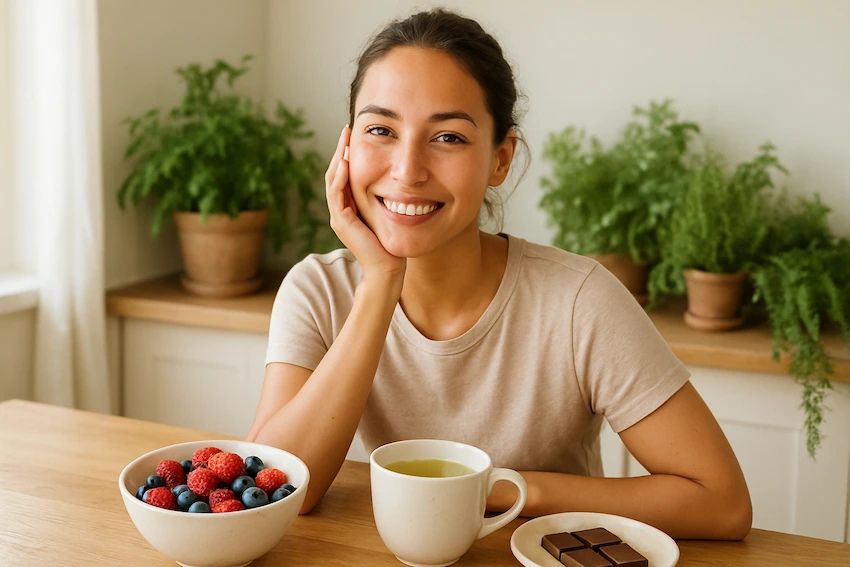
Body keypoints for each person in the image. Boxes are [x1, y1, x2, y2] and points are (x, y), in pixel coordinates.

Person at [247, 8, 751, 540]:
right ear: (346, 149)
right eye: (381, 130)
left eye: (448, 138)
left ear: (500, 159)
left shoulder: (580, 301)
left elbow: (722, 504)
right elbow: (280, 490)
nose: (407, 169)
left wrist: (501, 488)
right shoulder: (318, 290)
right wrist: (380, 282)